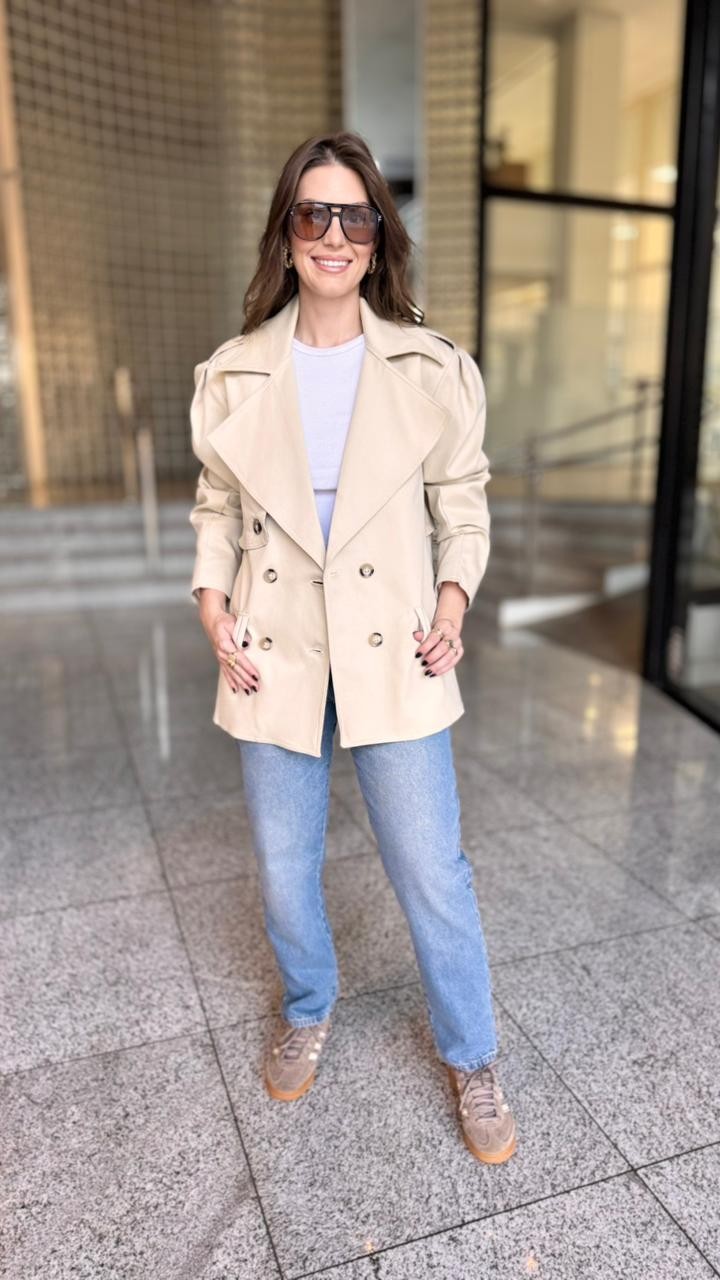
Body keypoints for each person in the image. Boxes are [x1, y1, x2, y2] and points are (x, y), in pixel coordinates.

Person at [188, 130, 517, 1165]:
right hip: (275, 646)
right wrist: (211, 602)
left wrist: (453, 603)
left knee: (430, 866)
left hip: (395, 647)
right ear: (286, 234)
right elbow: (216, 505)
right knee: (285, 867)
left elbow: (461, 501)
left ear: (378, 236)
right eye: (313, 214)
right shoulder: (234, 373)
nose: (334, 235)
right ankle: (309, 1003)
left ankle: (472, 1056)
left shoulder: (432, 367)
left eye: (356, 216)